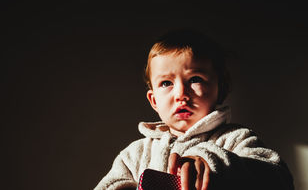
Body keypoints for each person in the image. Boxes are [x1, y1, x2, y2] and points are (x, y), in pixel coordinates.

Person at [94, 29, 294, 190]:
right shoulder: (135, 153)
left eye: (195, 79)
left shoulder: (235, 138)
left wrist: (213, 163)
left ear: (220, 90)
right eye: (166, 83)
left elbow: (279, 179)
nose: (181, 94)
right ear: (153, 100)